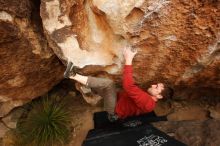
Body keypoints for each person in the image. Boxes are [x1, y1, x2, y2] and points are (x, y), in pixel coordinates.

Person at [64, 46, 173, 122]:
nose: (153, 85)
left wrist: (129, 58)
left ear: (159, 96)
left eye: (157, 87)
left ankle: (71, 75)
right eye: (156, 84)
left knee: (109, 84)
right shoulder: (148, 98)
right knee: (102, 86)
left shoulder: (148, 103)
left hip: (114, 108)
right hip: (117, 99)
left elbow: (129, 86)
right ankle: (88, 89)